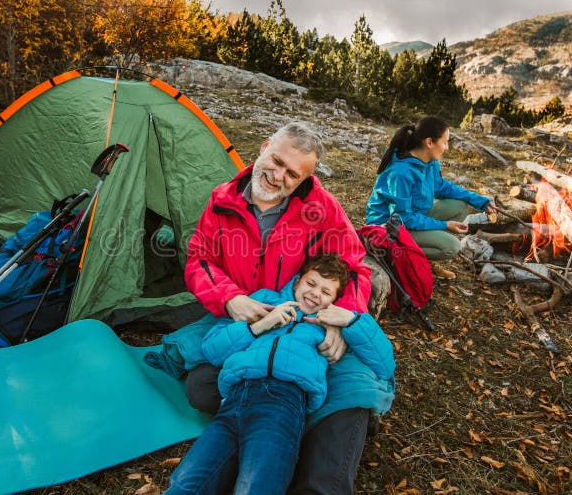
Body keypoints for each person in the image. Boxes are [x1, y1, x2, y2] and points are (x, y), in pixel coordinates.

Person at [183, 121, 384, 494]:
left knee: (353, 389)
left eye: (292, 174)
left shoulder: (322, 209)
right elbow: (199, 259)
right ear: (263, 148)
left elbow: (355, 268)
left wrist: (339, 322)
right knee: (200, 388)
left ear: (305, 178)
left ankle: (315, 462)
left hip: (308, 324)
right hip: (251, 325)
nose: (277, 176)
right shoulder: (222, 200)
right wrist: (230, 297)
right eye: (275, 161)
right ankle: (288, 424)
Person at [167, 254, 395, 494]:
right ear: (297, 281)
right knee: (185, 484)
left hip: (283, 404)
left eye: (326, 292)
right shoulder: (264, 301)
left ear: (333, 301)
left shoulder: (328, 327)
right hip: (233, 400)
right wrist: (259, 325)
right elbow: (212, 349)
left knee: (256, 486)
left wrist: (350, 319)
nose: (316, 293)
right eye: (311, 283)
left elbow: (384, 364)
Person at [366, 116, 494, 279]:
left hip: (411, 217)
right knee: (452, 246)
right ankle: (401, 258)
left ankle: (420, 249)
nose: (447, 148)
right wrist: (444, 225)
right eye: (445, 142)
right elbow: (400, 218)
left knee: (460, 205)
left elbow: (441, 187)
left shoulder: (429, 162)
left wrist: (480, 200)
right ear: (429, 142)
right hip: (388, 228)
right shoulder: (401, 173)